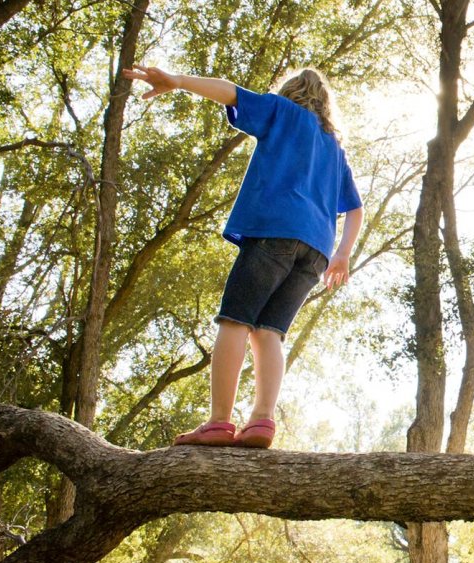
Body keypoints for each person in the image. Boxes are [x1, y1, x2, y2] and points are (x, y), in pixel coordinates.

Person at [123, 65, 364, 449]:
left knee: (235, 320)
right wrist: (343, 255)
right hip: (316, 251)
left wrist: (179, 81)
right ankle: (261, 422)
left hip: (274, 233)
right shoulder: (333, 147)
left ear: (290, 92)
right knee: (269, 332)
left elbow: (231, 92)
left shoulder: (282, 112)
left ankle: (219, 421)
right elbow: (355, 208)